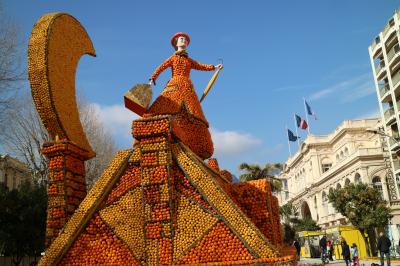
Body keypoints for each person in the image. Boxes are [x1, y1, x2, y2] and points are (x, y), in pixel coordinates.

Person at [145, 32, 223, 159]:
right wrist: (152, 78)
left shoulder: (189, 60)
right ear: (176, 43)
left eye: (186, 40)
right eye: (182, 39)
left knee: (192, 112)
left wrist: (214, 67)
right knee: (167, 108)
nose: (184, 41)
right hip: (174, 85)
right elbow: (161, 67)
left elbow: (200, 66)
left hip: (187, 87)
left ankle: (190, 142)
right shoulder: (173, 58)